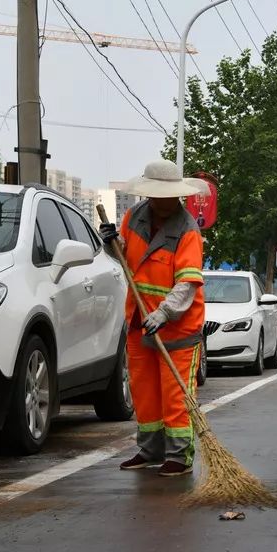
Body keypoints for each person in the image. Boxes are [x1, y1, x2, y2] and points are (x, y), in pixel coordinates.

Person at [99, 159, 208, 476]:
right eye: (156, 194)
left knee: (175, 396)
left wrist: (164, 312)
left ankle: (179, 455)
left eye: (167, 195)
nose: (161, 201)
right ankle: (150, 450)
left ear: (177, 195)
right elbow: (124, 257)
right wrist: (111, 243)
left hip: (177, 327)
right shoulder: (134, 217)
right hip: (139, 321)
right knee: (145, 394)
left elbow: (187, 285)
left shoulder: (187, 230)